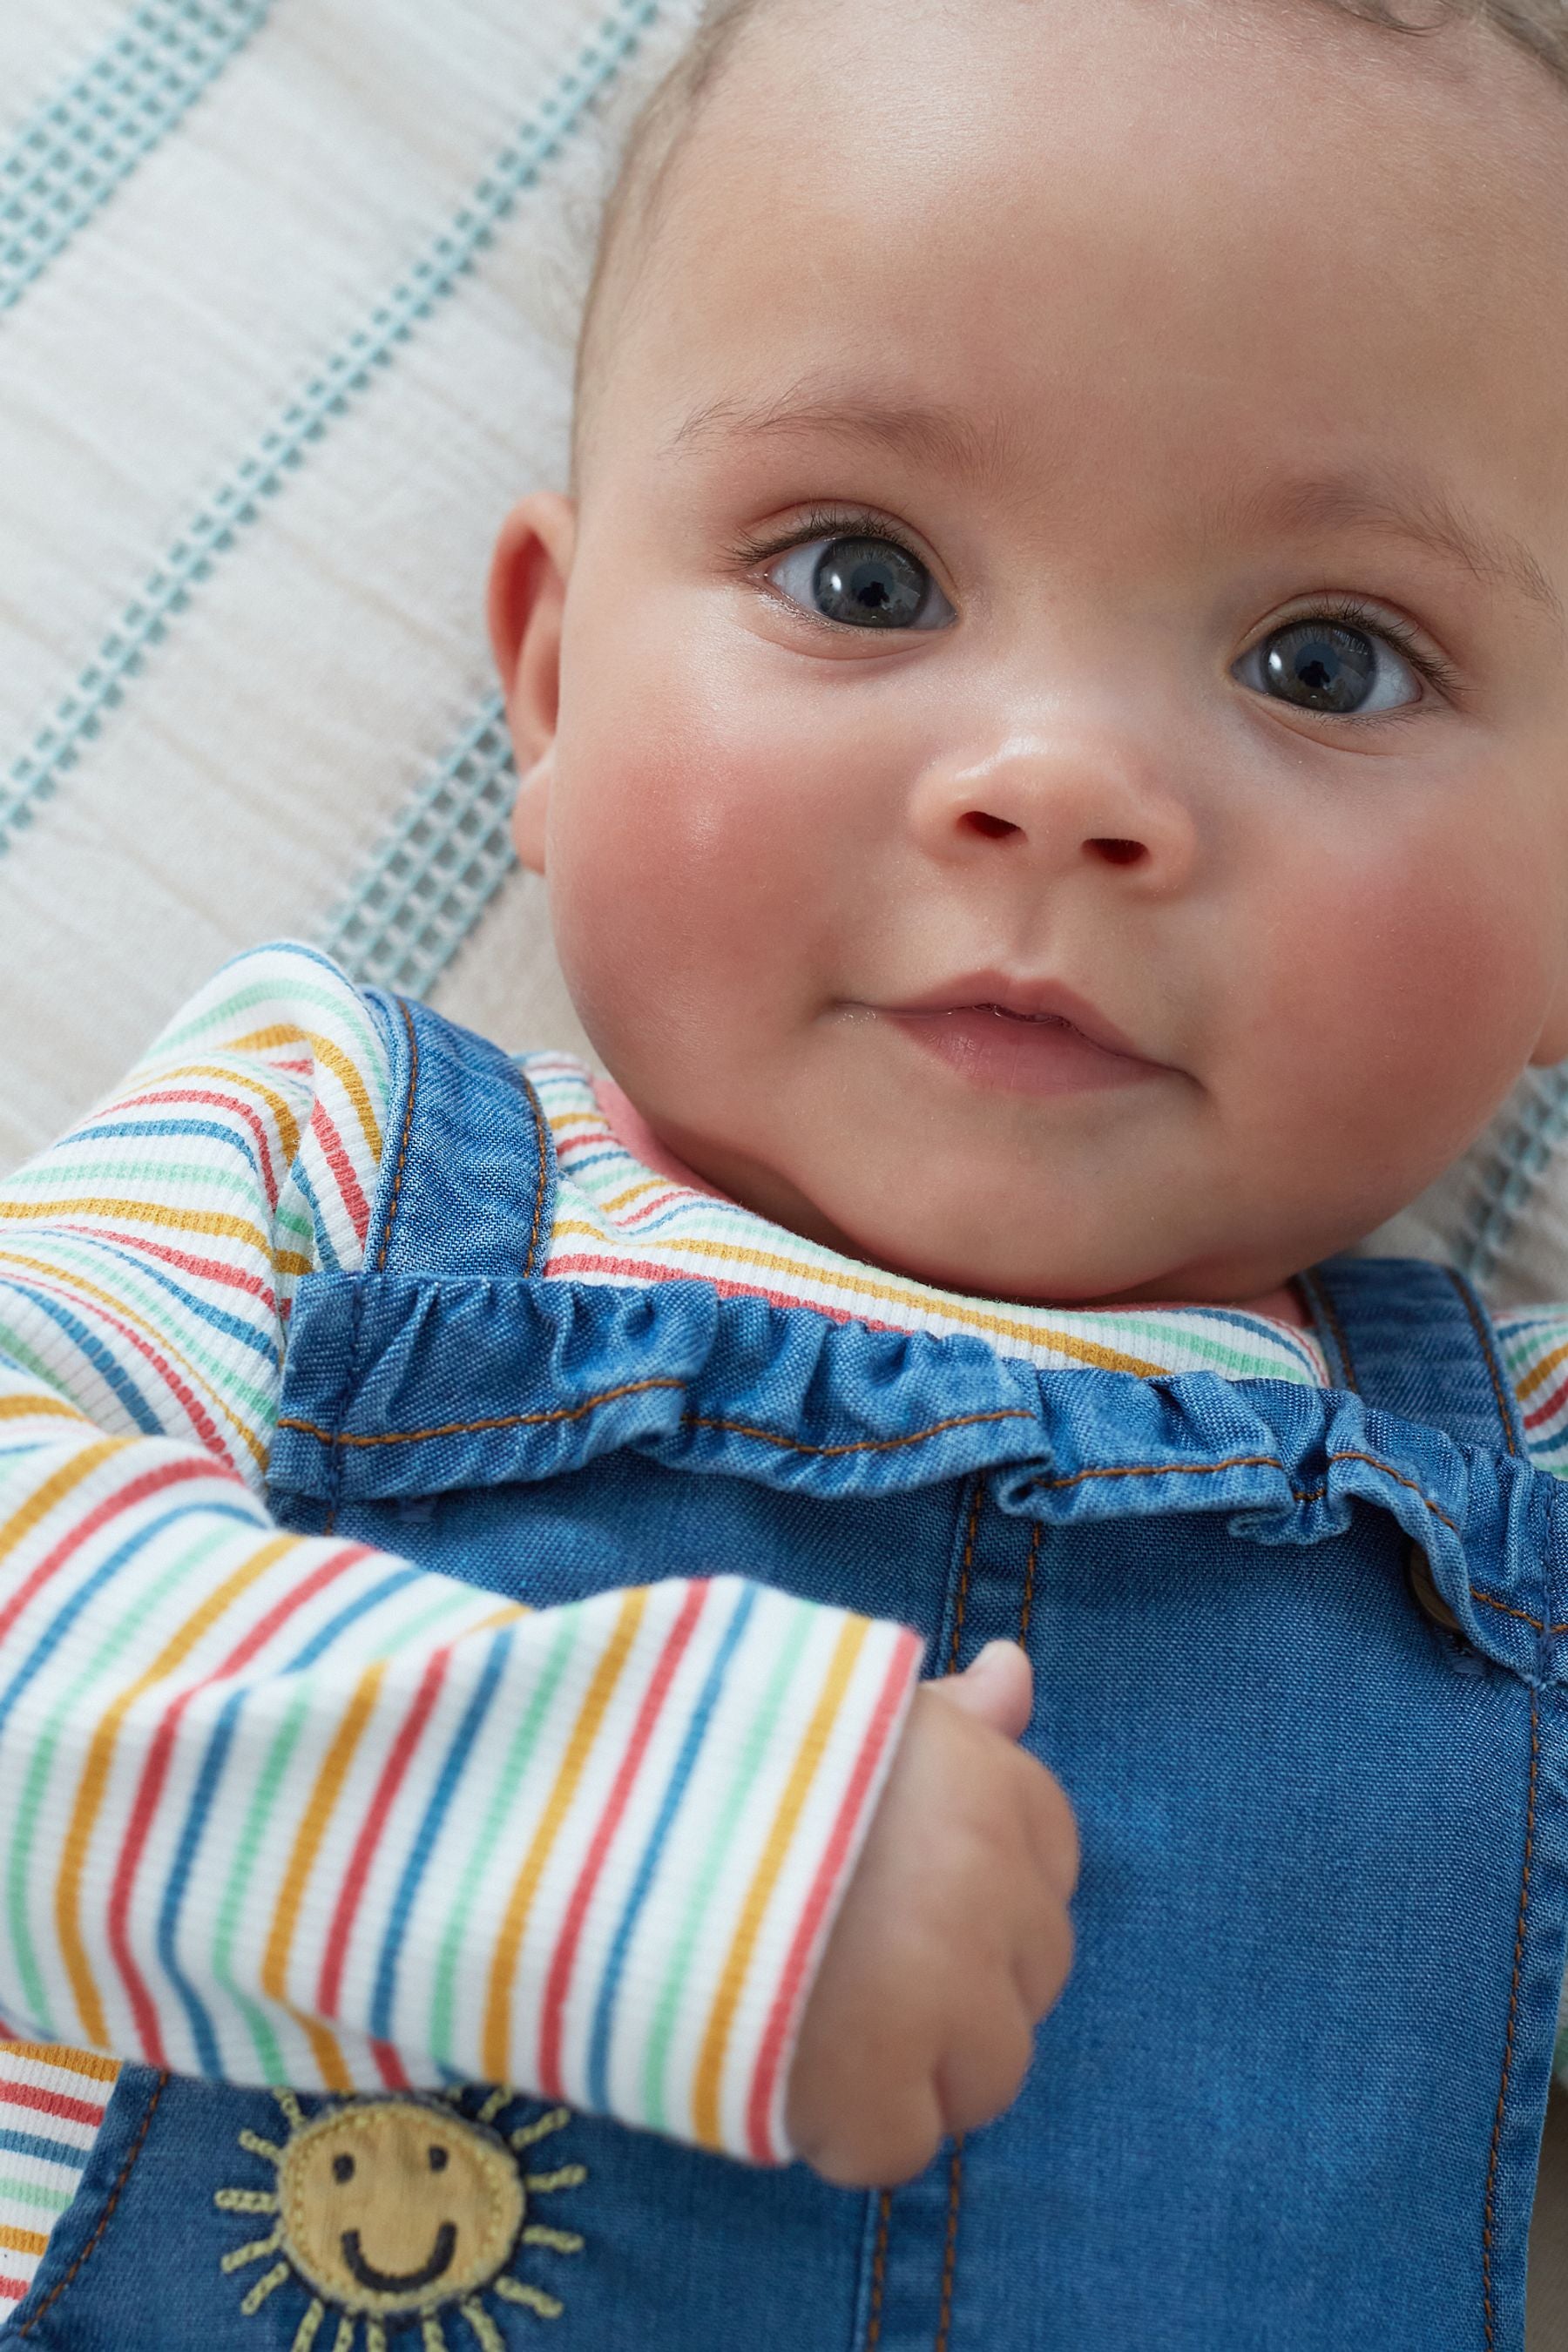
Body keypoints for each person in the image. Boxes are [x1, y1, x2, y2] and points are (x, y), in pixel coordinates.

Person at [3, 0, 1568, 2342]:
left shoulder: (1524, 1482)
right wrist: (614, 1839)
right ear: (547, 690)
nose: (1056, 779)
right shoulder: (321, 1161)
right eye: (862, 575)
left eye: (1327, 660)